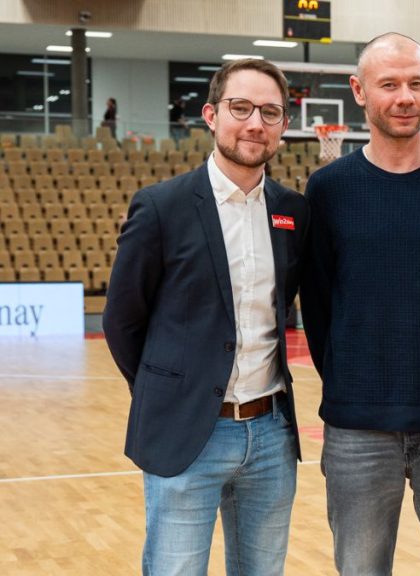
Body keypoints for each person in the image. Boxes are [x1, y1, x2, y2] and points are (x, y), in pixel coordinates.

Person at [300, 32, 420, 576]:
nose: (404, 96)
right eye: (389, 84)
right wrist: (351, 376)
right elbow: (317, 304)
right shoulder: (329, 190)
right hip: (356, 428)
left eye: (416, 83)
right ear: (359, 91)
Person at [103, 58, 308, 575]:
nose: (255, 123)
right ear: (211, 115)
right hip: (187, 433)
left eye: (270, 112)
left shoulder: (292, 213)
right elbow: (122, 321)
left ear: (283, 126)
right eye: (241, 108)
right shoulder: (160, 207)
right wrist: (172, 390)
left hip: (270, 435)